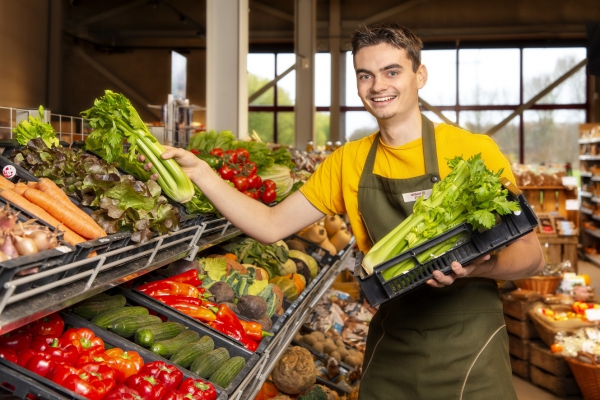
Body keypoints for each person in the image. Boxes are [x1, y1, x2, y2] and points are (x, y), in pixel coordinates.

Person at [145, 23, 544, 400]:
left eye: (392, 72)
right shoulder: (348, 162)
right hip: (395, 339)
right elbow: (269, 225)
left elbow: (532, 256)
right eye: (365, 75)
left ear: (419, 75)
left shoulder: (472, 149)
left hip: (470, 343)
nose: (378, 86)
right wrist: (202, 173)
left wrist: (479, 268)